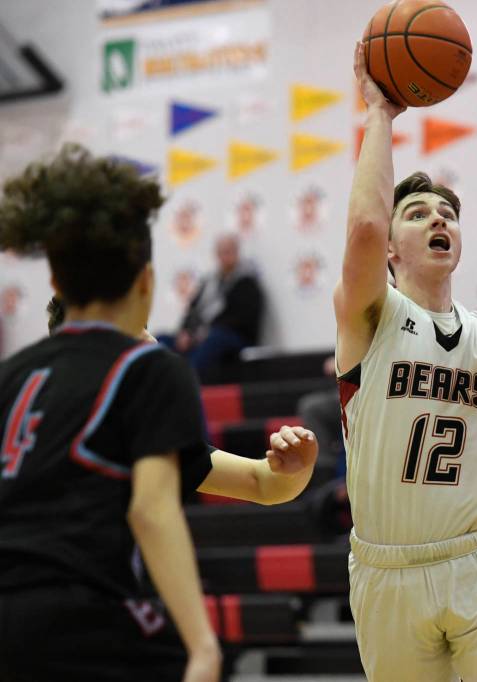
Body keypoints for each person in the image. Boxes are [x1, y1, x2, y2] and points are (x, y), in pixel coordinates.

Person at [0, 146, 318, 682]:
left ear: (56, 283)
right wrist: (202, 646)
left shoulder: (12, 377)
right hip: (80, 612)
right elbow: (152, 511)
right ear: (145, 282)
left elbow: (262, 484)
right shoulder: (146, 370)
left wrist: (293, 469)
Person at [334, 43, 477, 681]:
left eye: (447, 215)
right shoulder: (369, 316)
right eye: (416, 215)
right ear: (391, 249)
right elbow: (362, 229)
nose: (438, 220)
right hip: (388, 569)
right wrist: (379, 113)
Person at [160, 233, 264, 378]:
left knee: (214, 339)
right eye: (221, 252)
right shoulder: (209, 283)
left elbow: (243, 320)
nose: (225, 256)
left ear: (237, 253)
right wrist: (185, 332)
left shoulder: (247, 283)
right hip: (201, 335)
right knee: (162, 340)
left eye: (229, 251)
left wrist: (206, 332)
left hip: (232, 338)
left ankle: (188, 382)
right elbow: (192, 311)